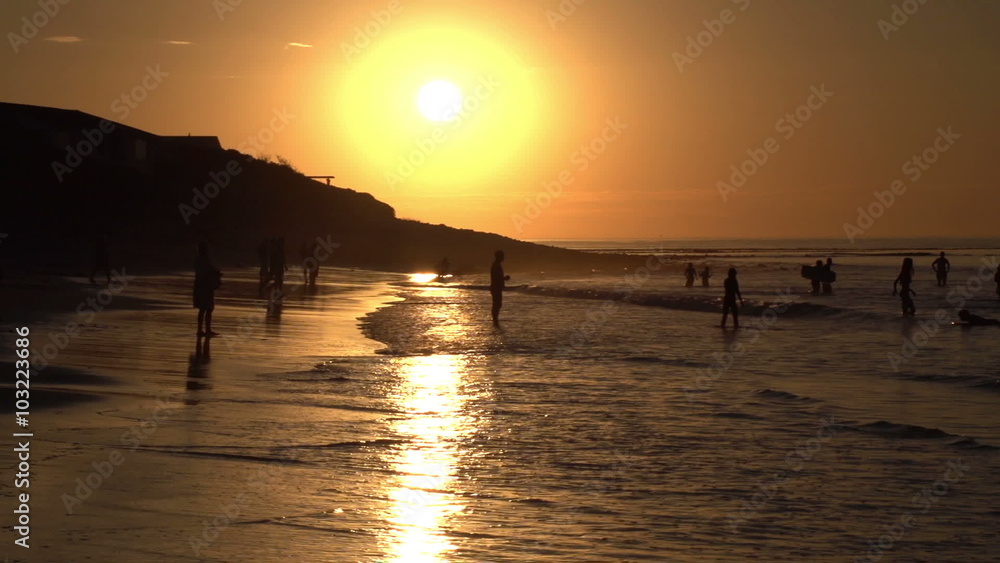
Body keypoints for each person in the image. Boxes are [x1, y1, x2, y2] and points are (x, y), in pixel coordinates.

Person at [194, 242, 222, 337]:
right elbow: (207, 272)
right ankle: (206, 329)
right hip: (205, 286)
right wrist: (216, 273)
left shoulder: (199, 260)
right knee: (208, 308)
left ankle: (201, 329)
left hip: (200, 286)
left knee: (203, 309)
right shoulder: (203, 260)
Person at [490, 250, 510, 324]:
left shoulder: (496, 265)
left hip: (496, 287)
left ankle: (495, 319)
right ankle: (495, 319)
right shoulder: (496, 265)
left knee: (497, 304)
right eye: (502, 256)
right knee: (497, 304)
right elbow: (497, 277)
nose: (503, 257)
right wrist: (504, 278)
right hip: (496, 287)